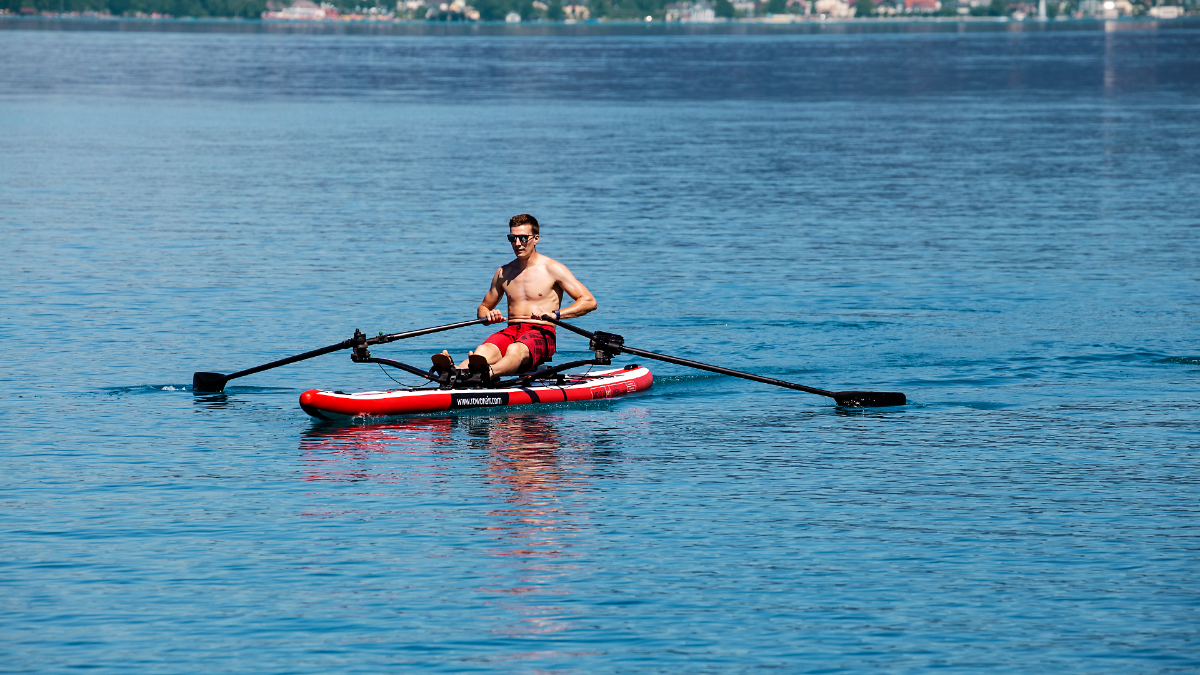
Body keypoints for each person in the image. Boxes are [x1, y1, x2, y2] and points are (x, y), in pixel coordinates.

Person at [435, 214, 597, 380]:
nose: (517, 243)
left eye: (523, 238)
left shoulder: (553, 269)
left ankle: (485, 374)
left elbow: (589, 301)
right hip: (512, 330)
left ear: (536, 239)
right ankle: (455, 372)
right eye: (512, 238)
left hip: (541, 332)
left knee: (515, 350)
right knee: (482, 351)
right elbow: (483, 308)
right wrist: (488, 316)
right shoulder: (503, 272)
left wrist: (555, 314)